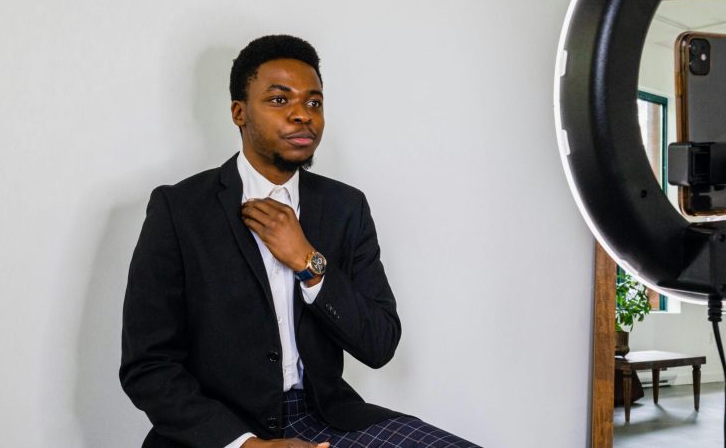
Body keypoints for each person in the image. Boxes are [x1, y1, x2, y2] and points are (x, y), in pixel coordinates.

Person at [120, 35, 476, 448]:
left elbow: (380, 342)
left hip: (326, 416)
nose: (302, 116)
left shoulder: (346, 207)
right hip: (221, 431)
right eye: (278, 100)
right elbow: (147, 366)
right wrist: (247, 446)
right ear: (239, 112)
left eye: (313, 103)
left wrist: (309, 262)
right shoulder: (180, 210)